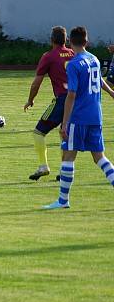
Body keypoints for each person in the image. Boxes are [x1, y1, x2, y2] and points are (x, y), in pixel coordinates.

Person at [43, 26, 114, 209]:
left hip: (79, 117)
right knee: (100, 157)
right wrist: (111, 92)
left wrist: (64, 123)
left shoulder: (74, 64)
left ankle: (62, 201)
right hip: (95, 116)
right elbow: (98, 80)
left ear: (70, 42)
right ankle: (62, 201)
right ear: (86, 41)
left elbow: (71, 95)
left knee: (68, 156)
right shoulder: (94, 59)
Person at [23, 26, 75, 180]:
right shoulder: (73, 54)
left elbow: (36, 83)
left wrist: (30, 99)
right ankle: (64, 170)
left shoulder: (49, 56)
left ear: (51, 39)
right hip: (77, 100)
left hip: (62, 100)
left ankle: (43, 166)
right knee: (63, 133)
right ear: (66, 40)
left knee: (38, 132)